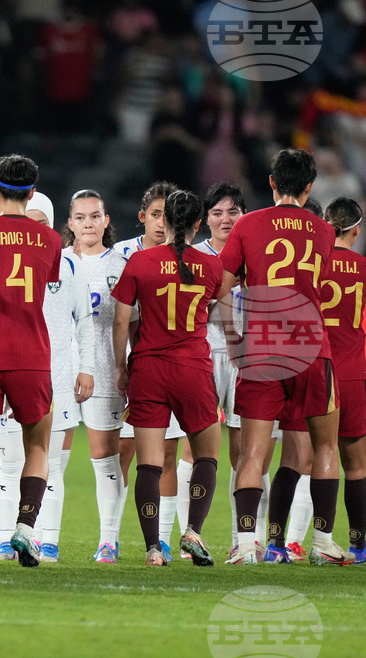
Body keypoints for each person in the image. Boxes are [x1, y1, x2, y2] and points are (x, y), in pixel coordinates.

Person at [217, 148, 348, 565]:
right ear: (310, 187)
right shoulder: (325, 232)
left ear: (272, 182)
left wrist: (235, 337)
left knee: (252, 454)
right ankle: (324, 546)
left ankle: (246, 544)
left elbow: (220, 287)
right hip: (312, 349)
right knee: (325, 448)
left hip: (260, 349)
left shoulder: (249, 224)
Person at [267, 197, 366, 564]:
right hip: (350, 375)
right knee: (355, 463)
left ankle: (275, 543)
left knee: (293, 458)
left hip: (309, 367)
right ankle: (355, 543)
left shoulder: (313, 264)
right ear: (358, 229)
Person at [112, 190, 224, 566]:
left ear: (165, 221)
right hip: (193, 368)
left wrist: (119, 367)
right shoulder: (210, 267)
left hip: (148, 369)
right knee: (207, 455)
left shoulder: (140, 262)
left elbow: (120, 321)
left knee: (149, 464)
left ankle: (152, 550)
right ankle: (192, 531)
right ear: (197, 223)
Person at [0, 154, 62, 567]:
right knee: (37, 444)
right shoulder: (52, 241)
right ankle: (25, 528)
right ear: (33, 192)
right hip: (31, 353)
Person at [191, 183, 275, 559]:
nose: (226, 219)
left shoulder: (260, 253)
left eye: (233, 212)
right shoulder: (193, 257)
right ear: (206, 219)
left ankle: (246, 538)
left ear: (244, 215)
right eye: (217, 213)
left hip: (250, 355)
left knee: (248, 451)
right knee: (196, 451)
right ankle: (190, 534)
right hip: (205, 352)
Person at [113, 181, 188, 560]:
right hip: (132, 366)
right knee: (121, 452)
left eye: (167, 215)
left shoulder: (186, 257)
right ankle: (108, 538)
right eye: (155, 214)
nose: (161, 223)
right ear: (142, 217)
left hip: (165, 366)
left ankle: (163, 540)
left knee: (168, 455)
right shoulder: (122, 255)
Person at [23, 192, 94, 563]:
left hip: (60, 376)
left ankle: (48, 541)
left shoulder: (69, 266)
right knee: (15, 461)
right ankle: (11, 538)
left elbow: (84, 320)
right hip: (18, 373)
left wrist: (87, 368)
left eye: (41, 224)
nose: (33, 232)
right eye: (28, 223)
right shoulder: (9, 262)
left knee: (53, 466)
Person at [66, 189, 131, 564]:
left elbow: (132, 322)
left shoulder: (121, 265)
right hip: (60, 371)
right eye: (81, 217)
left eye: (95, 216)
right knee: (46, 458)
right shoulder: (56, 263)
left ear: (106, 221)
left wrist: (126, 366)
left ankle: (109, 540)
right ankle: (41, 537)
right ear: (70, 223)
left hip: (105, 372)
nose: (88, 223)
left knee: (104, 458)